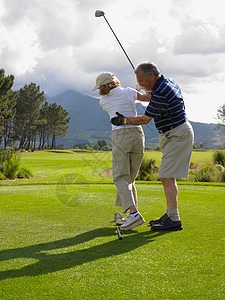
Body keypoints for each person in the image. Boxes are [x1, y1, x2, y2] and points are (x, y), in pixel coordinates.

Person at [111, 61, 194, 231]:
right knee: (167, 176)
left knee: (166, 176)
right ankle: (171, 215)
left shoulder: (162, 92)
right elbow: (153, 96)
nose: (139, 84)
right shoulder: (166, 82)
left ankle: (174, 219)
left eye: (141, 80)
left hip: (176, 134)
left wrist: (124, 120)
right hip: (173, 133)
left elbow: (144, 119)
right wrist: (150, 91)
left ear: (152, 76)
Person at [92, 72, 151, 231]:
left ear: (102, 87)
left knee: (120, 176)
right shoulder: (130, 92)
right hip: (138, 134)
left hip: (120, 135)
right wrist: (145, 88)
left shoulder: (103, 101)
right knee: (130, 177)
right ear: (115, 81)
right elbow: (148, 98)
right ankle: (130, 216)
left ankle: (134, 214)